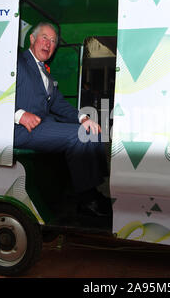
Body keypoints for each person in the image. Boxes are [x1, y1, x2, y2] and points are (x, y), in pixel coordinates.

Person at [14, 22, 111, 218]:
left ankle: (96, 187)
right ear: (32, 39)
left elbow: (59, 105)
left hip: (44, 126)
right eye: (44, 38)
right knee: (80, 136)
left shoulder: (46, 75)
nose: (49, 44)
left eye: (53, 41)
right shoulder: (17, 62)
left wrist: (84, 118)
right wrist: (18, 115)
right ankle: (86, 199)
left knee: (95, 129)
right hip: (21, 130)